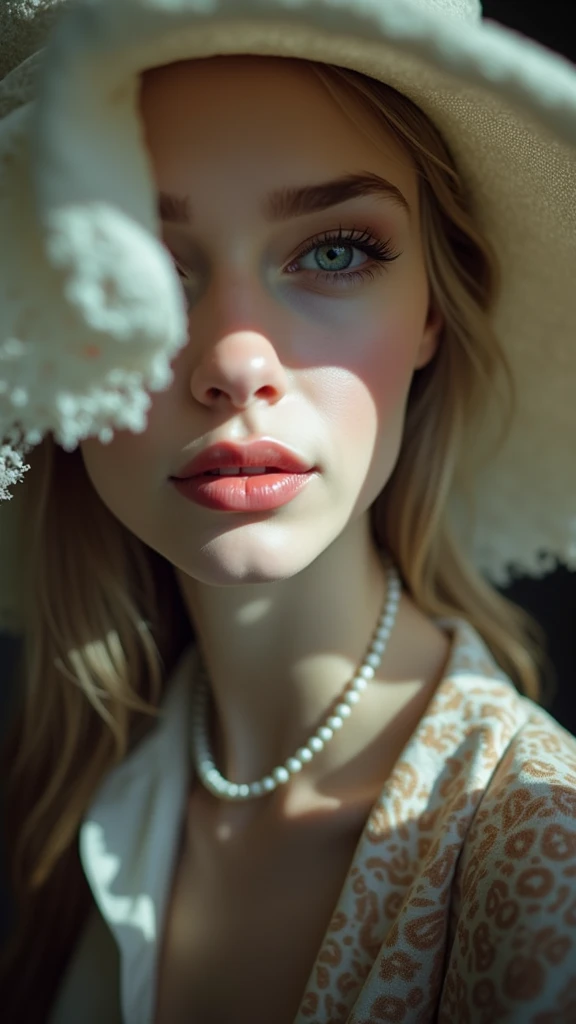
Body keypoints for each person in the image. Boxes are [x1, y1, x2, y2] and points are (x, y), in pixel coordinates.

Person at [0, 1, 575, 1022]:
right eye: (142, 267)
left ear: (434, 310)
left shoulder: (538, 855)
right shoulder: (74, 795)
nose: (236, 361)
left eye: (337, 250)